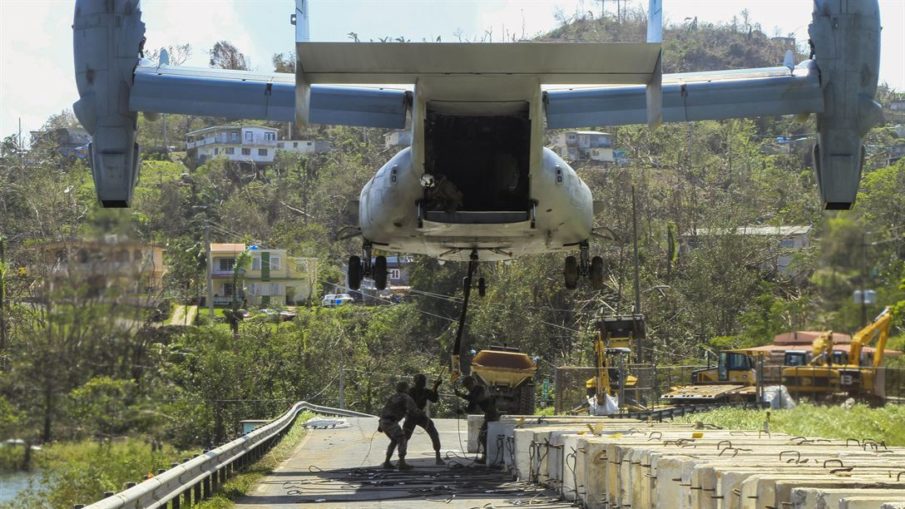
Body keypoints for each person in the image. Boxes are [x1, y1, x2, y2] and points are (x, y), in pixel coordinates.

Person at [454, 375, 500, 464]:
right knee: (482, 436)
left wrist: (461, 395)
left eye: (468, 385)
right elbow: (471, 408)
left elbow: (476, 399)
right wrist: (463, 410)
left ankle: (487, 457)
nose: (468, 388)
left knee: (484, 436)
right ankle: (486, 456)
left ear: (474, 382)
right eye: (466, 386)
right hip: (488, 415)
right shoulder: (472, 393)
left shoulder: (481, 388)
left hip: (493, 415)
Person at [378, 380, 420, 470]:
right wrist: (420, 414)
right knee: (402, 439)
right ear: (406, 389)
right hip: (391, 422)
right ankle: (402, 462)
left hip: (383, 421)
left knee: (394, 440)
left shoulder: (393, 397)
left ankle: (387, 462)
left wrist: (380, 425)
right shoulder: (406, 397)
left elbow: (385, 409)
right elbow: (413, 410)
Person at [404, 374, 444, 465]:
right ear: (415, 382)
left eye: (423, 381)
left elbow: (434, 399)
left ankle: (438, 457)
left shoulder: (426, 391)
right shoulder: (410, 391)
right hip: (411, 416)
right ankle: (401, 459)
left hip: (420, 416)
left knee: (433, 432)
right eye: (420, 381)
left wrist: (436, 387)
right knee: (405, 437)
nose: (422, 383)